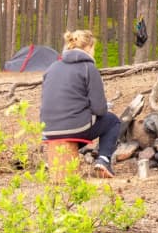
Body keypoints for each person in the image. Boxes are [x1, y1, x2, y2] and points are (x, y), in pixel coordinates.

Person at [40, 30, 128, 178]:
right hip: (74, 128)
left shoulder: (52, 67)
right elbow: (99, 109)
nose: (94, 52)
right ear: (88, 47)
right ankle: (103, 161)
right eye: (94, 48)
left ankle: (54, 161)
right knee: (112, 121)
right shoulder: (88, 68)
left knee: (70, 127)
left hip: (48, 130)